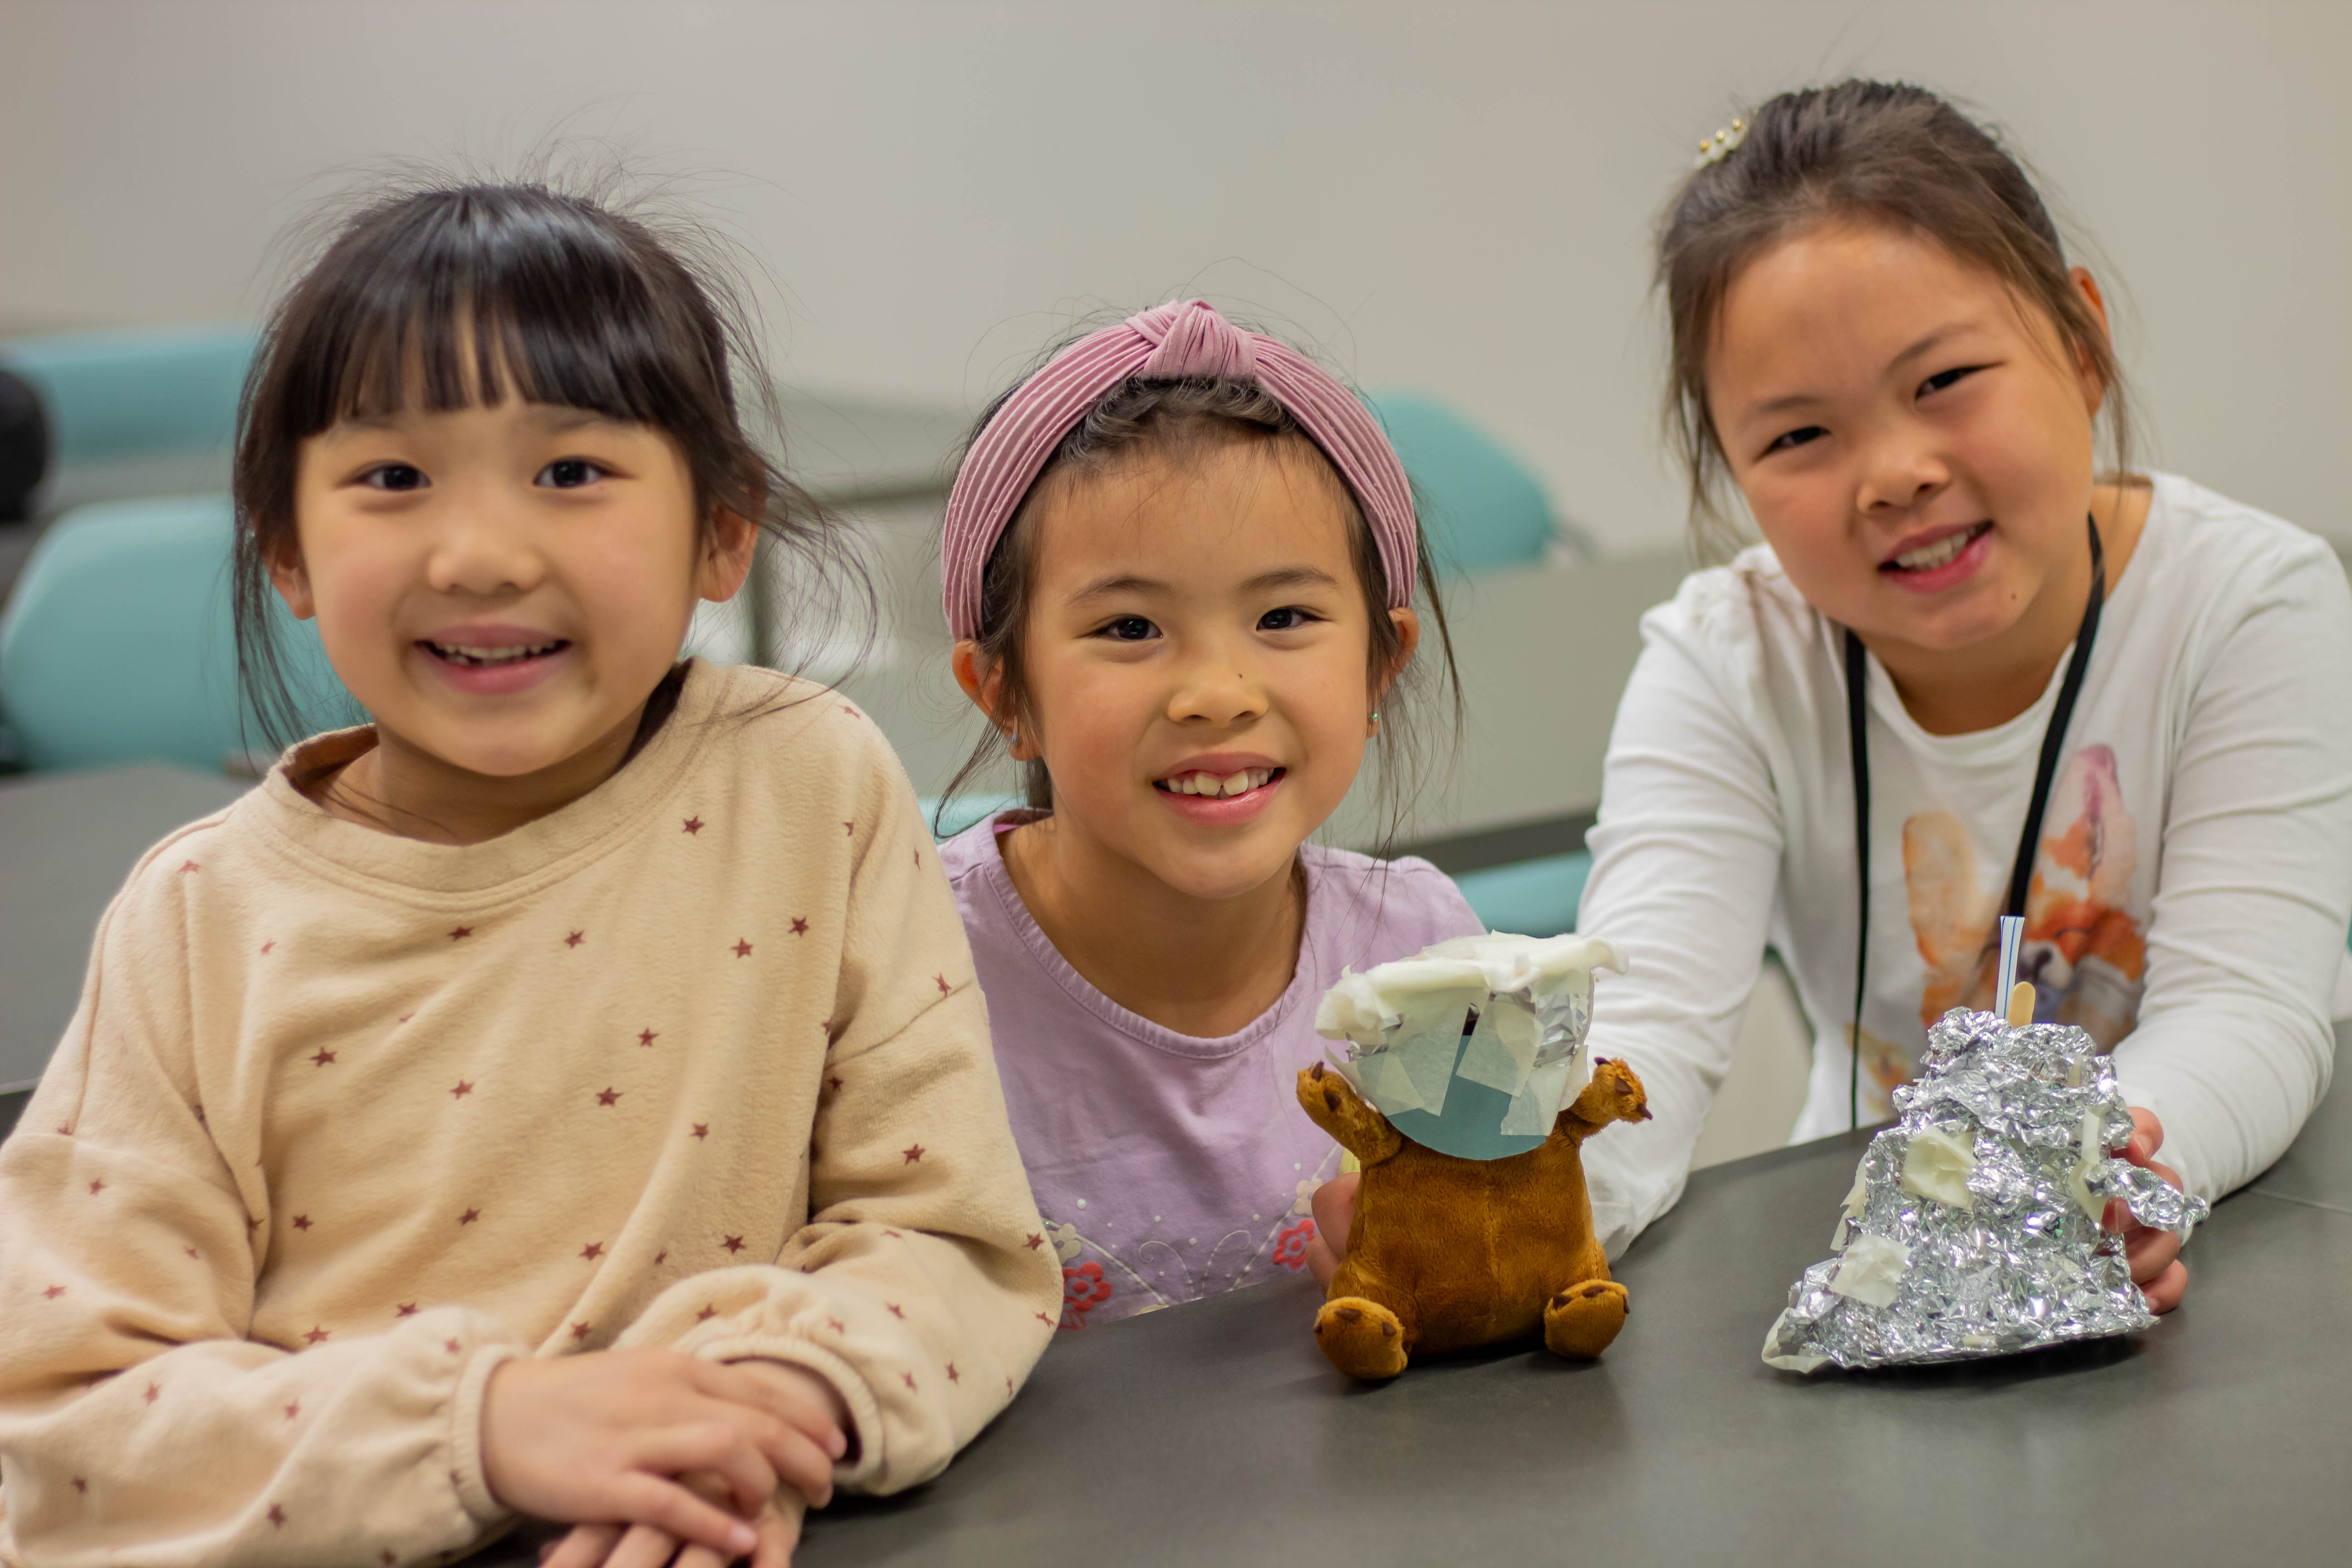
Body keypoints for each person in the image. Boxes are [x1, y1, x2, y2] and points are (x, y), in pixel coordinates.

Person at [0, 178, 1057, 1568]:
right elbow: (61, 1432)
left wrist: (771, 1403)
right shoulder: (200, 921)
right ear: (286, 549)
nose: (482, 553)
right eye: (392, 478)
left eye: (570, 472)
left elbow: (949, 1233)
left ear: (724, 530)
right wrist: (485, 1427)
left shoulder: (808, 784)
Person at [1576, 81, 2352, 1307]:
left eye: (1943, 381)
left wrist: (2092, 1177)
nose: (1894, 475)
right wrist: (1528, 1202)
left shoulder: (2246, 603)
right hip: (1874, 1267)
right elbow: (1643, 1031)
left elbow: (2248, 1009)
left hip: (2200, 1233)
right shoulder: (1726, 660)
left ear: (2082, 343)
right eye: (1796, 439)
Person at [934, 300, 1483, 1328]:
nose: (1217, 692)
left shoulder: (1429, 958)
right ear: (1003, 691)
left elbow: (1503, 1265)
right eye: (1130, 626)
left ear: (1382, 663)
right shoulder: (908, 979)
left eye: (1284, 618)